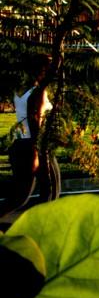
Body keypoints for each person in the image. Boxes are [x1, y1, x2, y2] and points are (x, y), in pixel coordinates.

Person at [1, 53, 59, 220]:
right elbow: (36, 122)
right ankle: (41, 228)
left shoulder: (21, 89)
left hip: (20, 143)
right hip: (35, 145)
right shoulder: (37, 92)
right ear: (43, 70)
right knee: (51, 191)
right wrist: (36, 153)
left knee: (19, 197)